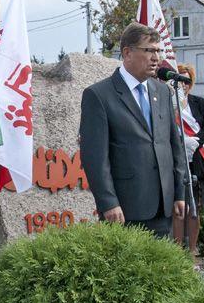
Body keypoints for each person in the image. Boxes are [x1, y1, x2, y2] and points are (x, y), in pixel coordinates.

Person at [79, 22, 186, 237]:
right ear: (127, 52)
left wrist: (179, 192)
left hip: (163, 206)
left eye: (159, 51)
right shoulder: (99, 95)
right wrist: (108, 202)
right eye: (149, 50)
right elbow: (95, 157)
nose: (156, 57)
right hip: (125, 209)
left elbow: (174, 145)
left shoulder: (162, 91)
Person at [173, 63, 204, 254]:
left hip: (196, 160)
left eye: (187, 80)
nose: (183, 84)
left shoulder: (199, 102)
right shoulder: (168, 102)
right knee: (178, 208)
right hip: (175, 161)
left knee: (194, 208)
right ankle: (177, 249)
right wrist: (180, 140)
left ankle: (192, 250)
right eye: (180, 79)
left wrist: (195, 141)